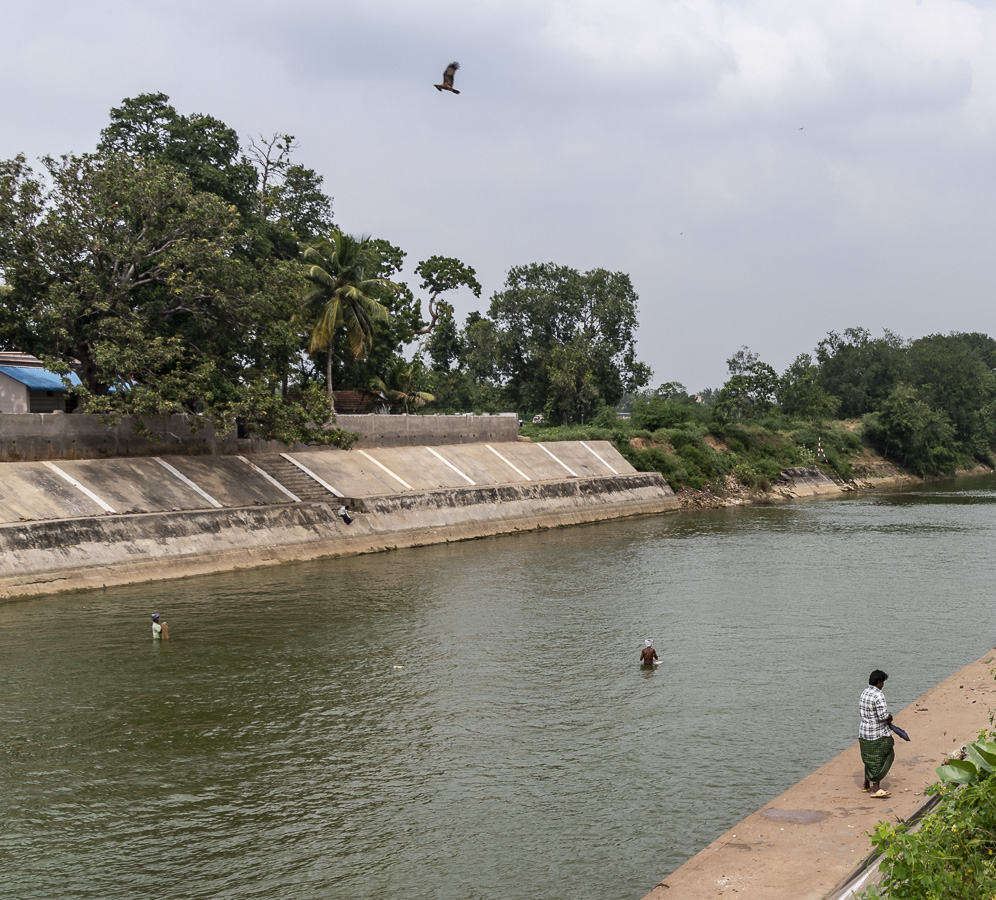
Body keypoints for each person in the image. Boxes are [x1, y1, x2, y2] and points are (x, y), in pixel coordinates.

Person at [859, 669, 894, 797]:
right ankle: (875, 788)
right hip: (876, 733)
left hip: (863, 732)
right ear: (879, 682)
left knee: (869, 758)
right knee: (881, 756)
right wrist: (890, 717)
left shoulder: (864, 692)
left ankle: (865, 784)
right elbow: (882, 716)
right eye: (882, 682)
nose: (883, 685)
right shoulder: (878, 695)